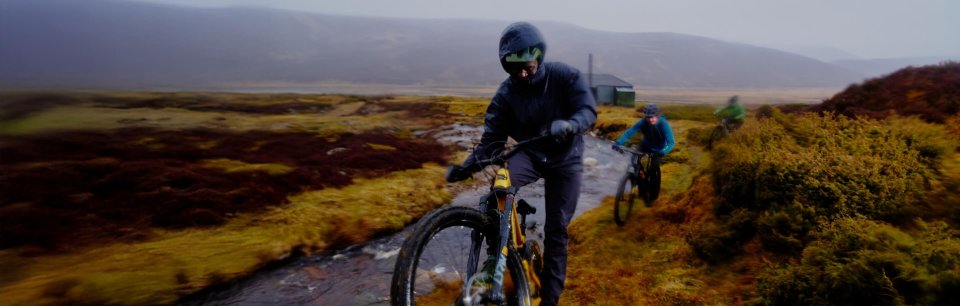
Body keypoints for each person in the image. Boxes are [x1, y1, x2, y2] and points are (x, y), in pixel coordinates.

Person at [445, 22, 597, 306]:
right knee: (499, 185)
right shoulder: (506, 95)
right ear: (507, 68)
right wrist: (467, 167)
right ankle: (498, 259)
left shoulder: (564, 76)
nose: (524, 73)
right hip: (531, 154)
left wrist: (570, 124)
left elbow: (587, 110)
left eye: (528, 65)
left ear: (538, 55)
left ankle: (550, 300)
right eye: (516, 69)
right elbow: (491, 142)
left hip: (567, 160)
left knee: (556, 230)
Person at [611, 104, 675, 192]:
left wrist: (663, 151)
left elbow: (671, 142)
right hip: (646, 145)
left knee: (652, 169)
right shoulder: (643, 122)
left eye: (652, 117)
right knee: (634, 160)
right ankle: (637, 179)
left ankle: (653, 191)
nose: (650, 120)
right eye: (648, 117)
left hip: (659, 149)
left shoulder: (664, 124)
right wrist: (618, 143)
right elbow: (629, 133)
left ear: (657, 116)